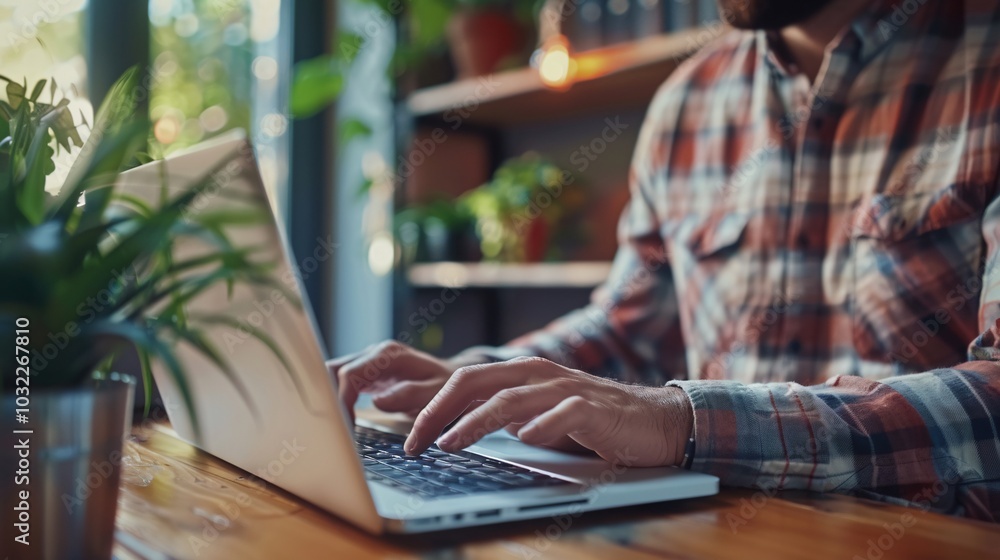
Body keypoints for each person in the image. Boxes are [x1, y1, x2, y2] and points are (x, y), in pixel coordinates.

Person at [329, 0, 1000, 521]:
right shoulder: (688, 101)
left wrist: (686, 421)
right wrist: (478, 378)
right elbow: (626, 330)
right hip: (711, 532)